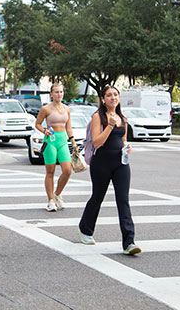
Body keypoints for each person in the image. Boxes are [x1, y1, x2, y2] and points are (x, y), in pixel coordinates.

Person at [78, 86, 141, 255]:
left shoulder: (123, 117)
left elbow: (124, 139)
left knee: (123, 200)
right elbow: (97, 142)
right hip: (101, 163)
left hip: (121, 163)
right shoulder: (98, 117)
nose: (113, 97)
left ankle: (129, 242)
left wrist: (127, 146)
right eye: (109, 95)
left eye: (115, 94)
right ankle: (85, 229)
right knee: (97, 197)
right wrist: (110, 126)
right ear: (103, 99)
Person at [35, 83, 76, 212]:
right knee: (50, 171)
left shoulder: (66, 109)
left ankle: (57, 194)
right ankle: (50, 200)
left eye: (61, 92)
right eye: (56, 92)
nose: (59, 94)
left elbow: (68, 127)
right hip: (51, 140)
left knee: (67, 170)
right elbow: (37, 124)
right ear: (51, 94)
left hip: (63, 140)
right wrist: (44, 131)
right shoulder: (46, 109)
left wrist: (73, 142)